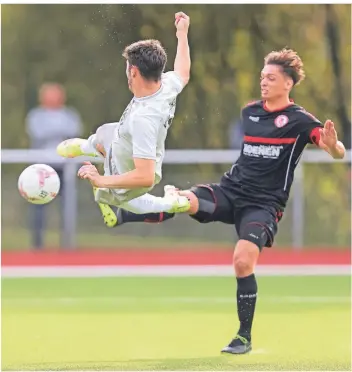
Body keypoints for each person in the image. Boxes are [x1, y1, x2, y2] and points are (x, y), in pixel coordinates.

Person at [85, 48, 346, 354]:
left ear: (288, 83)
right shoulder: (250, 112)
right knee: (181, 201)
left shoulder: (300, 120)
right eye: (262, 76)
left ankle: (243, 337)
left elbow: (333, 148)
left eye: (271, 78)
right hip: (230, 190)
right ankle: (121, 215)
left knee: (242, 260)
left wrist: (334, 147)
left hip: (263, 204)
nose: (263, 82)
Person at [57, 12, 192, 222]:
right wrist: (182, 34)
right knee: (105, 131)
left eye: (127, 68)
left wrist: (100, 180)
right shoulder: (165, 85)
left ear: (134, 72)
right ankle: (89, 147)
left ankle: (171, 201)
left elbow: (144, 177)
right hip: (128, 143)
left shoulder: (143, 119)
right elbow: (183, 72)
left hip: (129, 171)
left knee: (127, 201)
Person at [26, 83, 82, 248]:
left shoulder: (70, 115)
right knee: (38, 208)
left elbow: (73, 133)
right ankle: (37, 245)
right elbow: (38, 133)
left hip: (65, 168)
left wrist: (56, 132)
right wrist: (59, 132)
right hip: (42, 169)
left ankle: (67, 244)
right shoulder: (35, 116)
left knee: (68, 207)